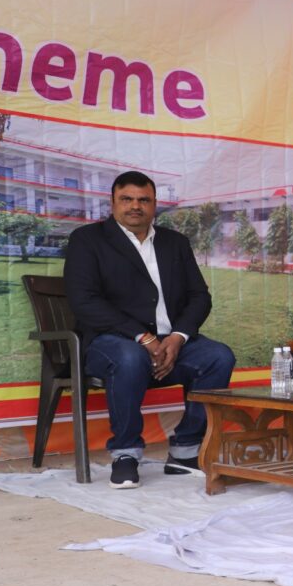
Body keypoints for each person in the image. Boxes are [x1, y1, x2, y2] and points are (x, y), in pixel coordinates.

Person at [63, 171, 235, 489]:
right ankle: (126, 454)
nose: (135, 206)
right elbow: (84, 301)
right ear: (113, 202)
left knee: (218, 356)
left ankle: (185, 451)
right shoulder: (88, 240)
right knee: (130, 356)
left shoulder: (175, 243)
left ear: (154, 204)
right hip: (110, 343)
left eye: (143, 200)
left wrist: (178, 337)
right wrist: (143, 337)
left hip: (170, 343)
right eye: (127, 199)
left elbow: (199, 296)